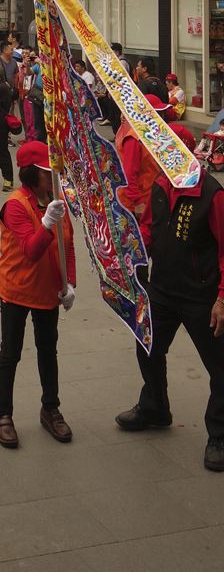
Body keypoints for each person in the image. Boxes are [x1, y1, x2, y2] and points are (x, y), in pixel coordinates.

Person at [114, 151, 224, 473]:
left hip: (202, 295)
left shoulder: (213, 195)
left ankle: (218, 435)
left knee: (220, 366)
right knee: (147, 347)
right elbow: (150, 229)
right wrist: (130, 250)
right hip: (161, 288)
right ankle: (155, 407)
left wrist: (221, 298)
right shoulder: (162, 185)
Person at [0, 141, 76, 449]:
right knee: (10, 353)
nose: (52, 178)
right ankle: (3, 415)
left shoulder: (57, 200)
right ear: (31, 174)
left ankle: (51, 408)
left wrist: (72, 284)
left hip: (48, 291)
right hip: (17, 290)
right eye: (47, 173)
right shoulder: (16, 204)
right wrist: (46, 223)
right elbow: (30, 250)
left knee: (48, 350)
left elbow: (67, 243)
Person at [0, 42, 21, 137]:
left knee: (10, 114)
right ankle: (1, 134)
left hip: (10, 93)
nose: (12, 51)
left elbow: (15, 76)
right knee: (1, 113)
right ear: (5, 50)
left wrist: (16, 89)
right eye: (11, 49)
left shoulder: (13, 62)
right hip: (0, 93)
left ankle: (8, 135)